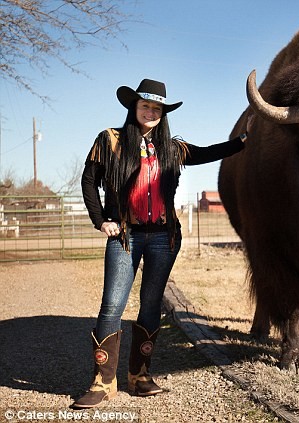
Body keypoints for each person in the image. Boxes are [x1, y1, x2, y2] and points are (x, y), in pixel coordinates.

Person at [72, 79, 251, 408]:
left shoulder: (173, 147)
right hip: (125, 235)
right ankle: (102, 382)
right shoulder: (109, 141)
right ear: (134, 107)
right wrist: (101, 220)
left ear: (163, 113)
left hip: (163, 237)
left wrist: (244, 139)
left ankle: (140, 376)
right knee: (112, 305)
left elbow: (210, 153)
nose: (151, 112)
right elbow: (88, 180)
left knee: (151, 304)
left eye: (157, 108)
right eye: (145, 106)